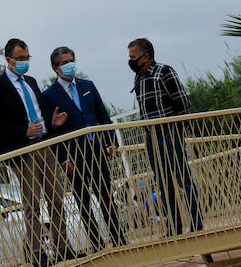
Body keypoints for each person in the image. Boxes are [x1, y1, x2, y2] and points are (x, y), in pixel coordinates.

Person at [0, 38, 77, 267]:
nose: (25, 62)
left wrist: (53, 123)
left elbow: (41, 111)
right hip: (23, 150)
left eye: (27, 57)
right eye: (21, 58)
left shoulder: (31, 82)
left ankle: (62, 247)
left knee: (56, 198)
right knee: (31, 204)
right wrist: (24, 132)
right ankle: (37, 253)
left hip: (45, 146)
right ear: (9, 60)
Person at [42, 46, 127, 250]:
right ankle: (96, 243)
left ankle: (119, 239)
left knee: (106, 196)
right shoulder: (48, 95)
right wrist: (63, 159)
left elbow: (103, 116)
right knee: (84, 202)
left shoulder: (87, 85)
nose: (69, 65)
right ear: (55, 68)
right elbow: (52, 132)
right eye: (64, 62)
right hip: (73, 156)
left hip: (96, 150)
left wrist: (111, 143)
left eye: (71, 60)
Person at [128, 37, 204, 237]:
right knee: (164, 183)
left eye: (133, 57)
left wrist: (182, 127)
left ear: (145, 57)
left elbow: (181, 101)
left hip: (171, 133)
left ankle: (197, 225)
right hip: (152, 137)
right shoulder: (139, 78)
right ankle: (174, 227)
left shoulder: (164, 71)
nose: (131, 61)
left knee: (183, 180)